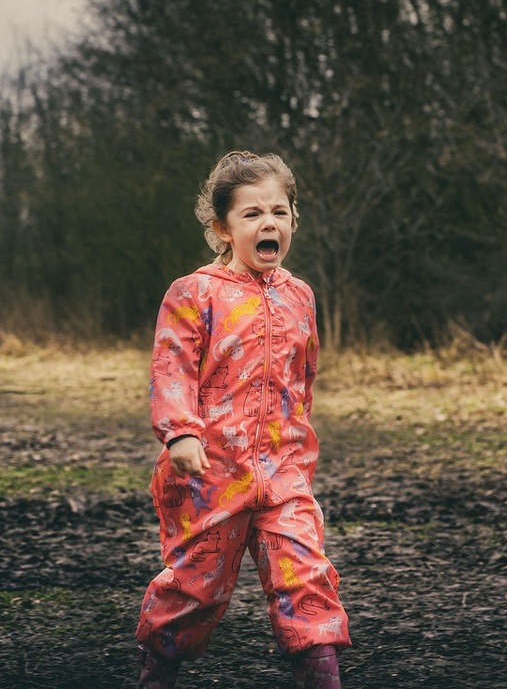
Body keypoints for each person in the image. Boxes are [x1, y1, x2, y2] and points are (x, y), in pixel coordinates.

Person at [135, 151, 350, 688]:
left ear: (293, 221)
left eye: (278, 212)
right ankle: (156, 675)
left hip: (283, 475)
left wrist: (298, 450)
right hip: (210, 474)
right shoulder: (195, 293)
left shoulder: (300, 296)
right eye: (251, 214)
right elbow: (171, 368)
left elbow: (303, 380)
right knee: (193, 592)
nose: (267, 222)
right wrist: (180, 432)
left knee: (307, 582)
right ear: (222, 229)